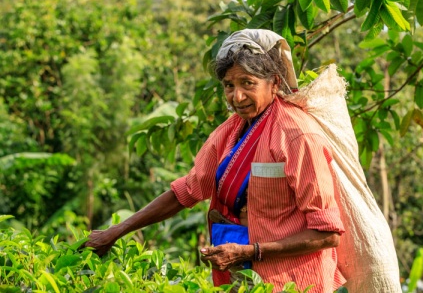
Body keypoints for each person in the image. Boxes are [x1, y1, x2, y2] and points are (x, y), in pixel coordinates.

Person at [84, 29, 346, 292]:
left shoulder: (297, 136)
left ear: (275, 83)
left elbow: (327, 233)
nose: (237, 97)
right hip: (243, 277)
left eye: (248, 83)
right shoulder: (231, 130)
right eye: (229, 86)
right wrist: (115, 232)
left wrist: (250, 251)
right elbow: (186, 191)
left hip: (294, 281)